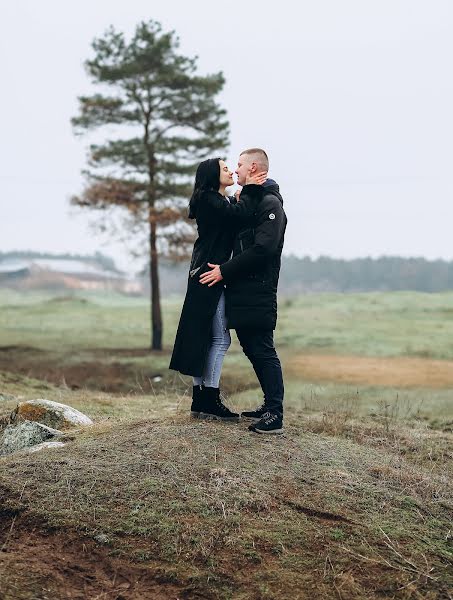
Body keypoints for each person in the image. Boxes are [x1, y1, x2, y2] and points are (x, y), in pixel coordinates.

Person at [169, 157, 267, 420]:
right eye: (225, 168)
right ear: (213, 175)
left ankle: (201, 400)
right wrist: (252, 190)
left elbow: (230, 216)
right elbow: (238, 216)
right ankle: (209, 398)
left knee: (203, 335)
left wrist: (236, 198)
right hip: (211, 274)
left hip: (205, 272)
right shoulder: (210, 199)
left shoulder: (212, 200)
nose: (231, 170)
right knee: (221, 338)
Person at [199, 149, 287, 434]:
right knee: (252, 347)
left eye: (238, 165)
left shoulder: (271, 203)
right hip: (243, 289)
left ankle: (275, 413)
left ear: (253, 167)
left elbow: (263, 248)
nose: (235, 171)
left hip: (258, 289)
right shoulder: (251, 201)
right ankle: (268, 405)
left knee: (262, 348)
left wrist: (224, 270)